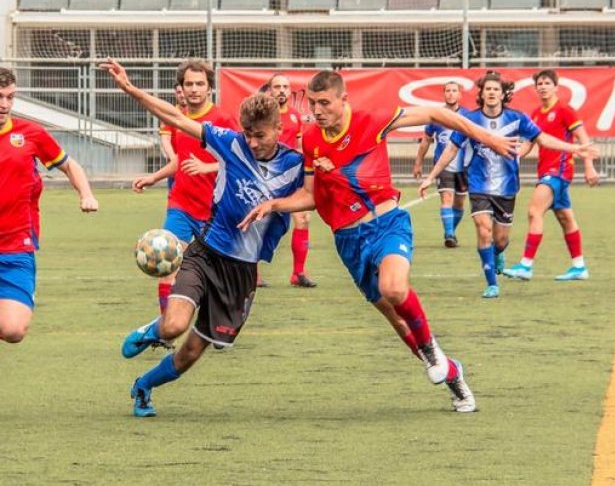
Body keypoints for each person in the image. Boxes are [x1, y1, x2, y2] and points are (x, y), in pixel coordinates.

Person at [241, 70, 519, 413]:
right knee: (398, 321)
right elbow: (310, 196)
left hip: (387, 224)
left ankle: (432, 352)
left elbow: (436, 114)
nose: (317, 110)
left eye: (324, 103)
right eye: (312, 103)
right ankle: (451, 374)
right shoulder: (311, 139)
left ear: (344, 100)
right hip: (348, 241)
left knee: (394, 288)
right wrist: (274, 205)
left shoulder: (371, 121)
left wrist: (488, 138)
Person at [102, 58, 305, 418]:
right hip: (206, 254)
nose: (252, 142)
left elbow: (314, 197)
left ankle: (143, 386)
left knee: (192, 352)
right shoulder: (232, 144)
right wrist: (131, 89)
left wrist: (275, 204)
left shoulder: (295, 164)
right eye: (248, 134)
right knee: (173, 326)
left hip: (242, 272)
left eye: (260, 135)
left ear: (278, 128)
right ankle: (154, 329)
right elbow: (177, 118)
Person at [0, 66, 99, 422]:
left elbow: (71, 166)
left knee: (13, 331)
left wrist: (86, 194)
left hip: (17, 247)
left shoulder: (32, 134)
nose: (4, 104)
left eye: (10, 97)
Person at [419, 72, 594, 299]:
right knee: (483, 230)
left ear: (503, 95)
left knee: (500, 240)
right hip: (479, 185)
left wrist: (575, 149)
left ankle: (499, 253)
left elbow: (542, 139)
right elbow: (451, 149)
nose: (492, 93)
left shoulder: (517, 118)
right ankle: (492, 284)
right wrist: (431, 176)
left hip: (507, 188)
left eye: (496, 89)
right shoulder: (470, 120)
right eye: (488, 89)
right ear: (482, 94)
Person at [130, 59, 237, 313]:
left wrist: (208, 167)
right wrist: (154, 177)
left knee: (215, 273)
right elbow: (181, 159)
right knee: (167, 260)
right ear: (181, 88)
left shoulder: (223, 119)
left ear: (209, 87)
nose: (194, 89)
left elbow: (239, 161)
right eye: (189, 84)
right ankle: (166, 324)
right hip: (181, 205)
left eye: (200, 84)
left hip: (213, 211)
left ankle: (211, 322)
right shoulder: (180, 119)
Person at [503, 69, 600, 282]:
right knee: (565, 218)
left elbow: (584, 140)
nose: (543, 86)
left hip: (559, 171)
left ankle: (526, 265)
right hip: (547, 171)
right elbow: (527, 145)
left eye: (547, 83)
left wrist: (589, 166)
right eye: (540, 83)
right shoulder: (536, 114)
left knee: (534, 211)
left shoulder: (565, 110)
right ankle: (579, 267)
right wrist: (508, 156)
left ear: (556, 87)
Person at [264, 73, 316, 288]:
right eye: (277, 87)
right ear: (270, 90)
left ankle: (298, 273)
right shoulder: (264, 115)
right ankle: (251, 272)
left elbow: (300, 147)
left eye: (285, 87)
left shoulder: (295, 116)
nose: (282, 91)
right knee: (259, 224)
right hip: (266, 177)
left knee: (303, 218)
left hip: (292, 178)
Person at [413, 81, 470, 248]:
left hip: (464, 167)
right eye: (448, 91)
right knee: (447, 198)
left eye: (454, 90)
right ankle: (449, 235)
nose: (451, 93)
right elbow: (426, 141)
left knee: (459, 203)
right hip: (442, 165)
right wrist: (418, 162)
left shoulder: (468, 115)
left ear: (459, 94)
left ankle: (451, 231)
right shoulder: (437, 115)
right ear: (444, 94)